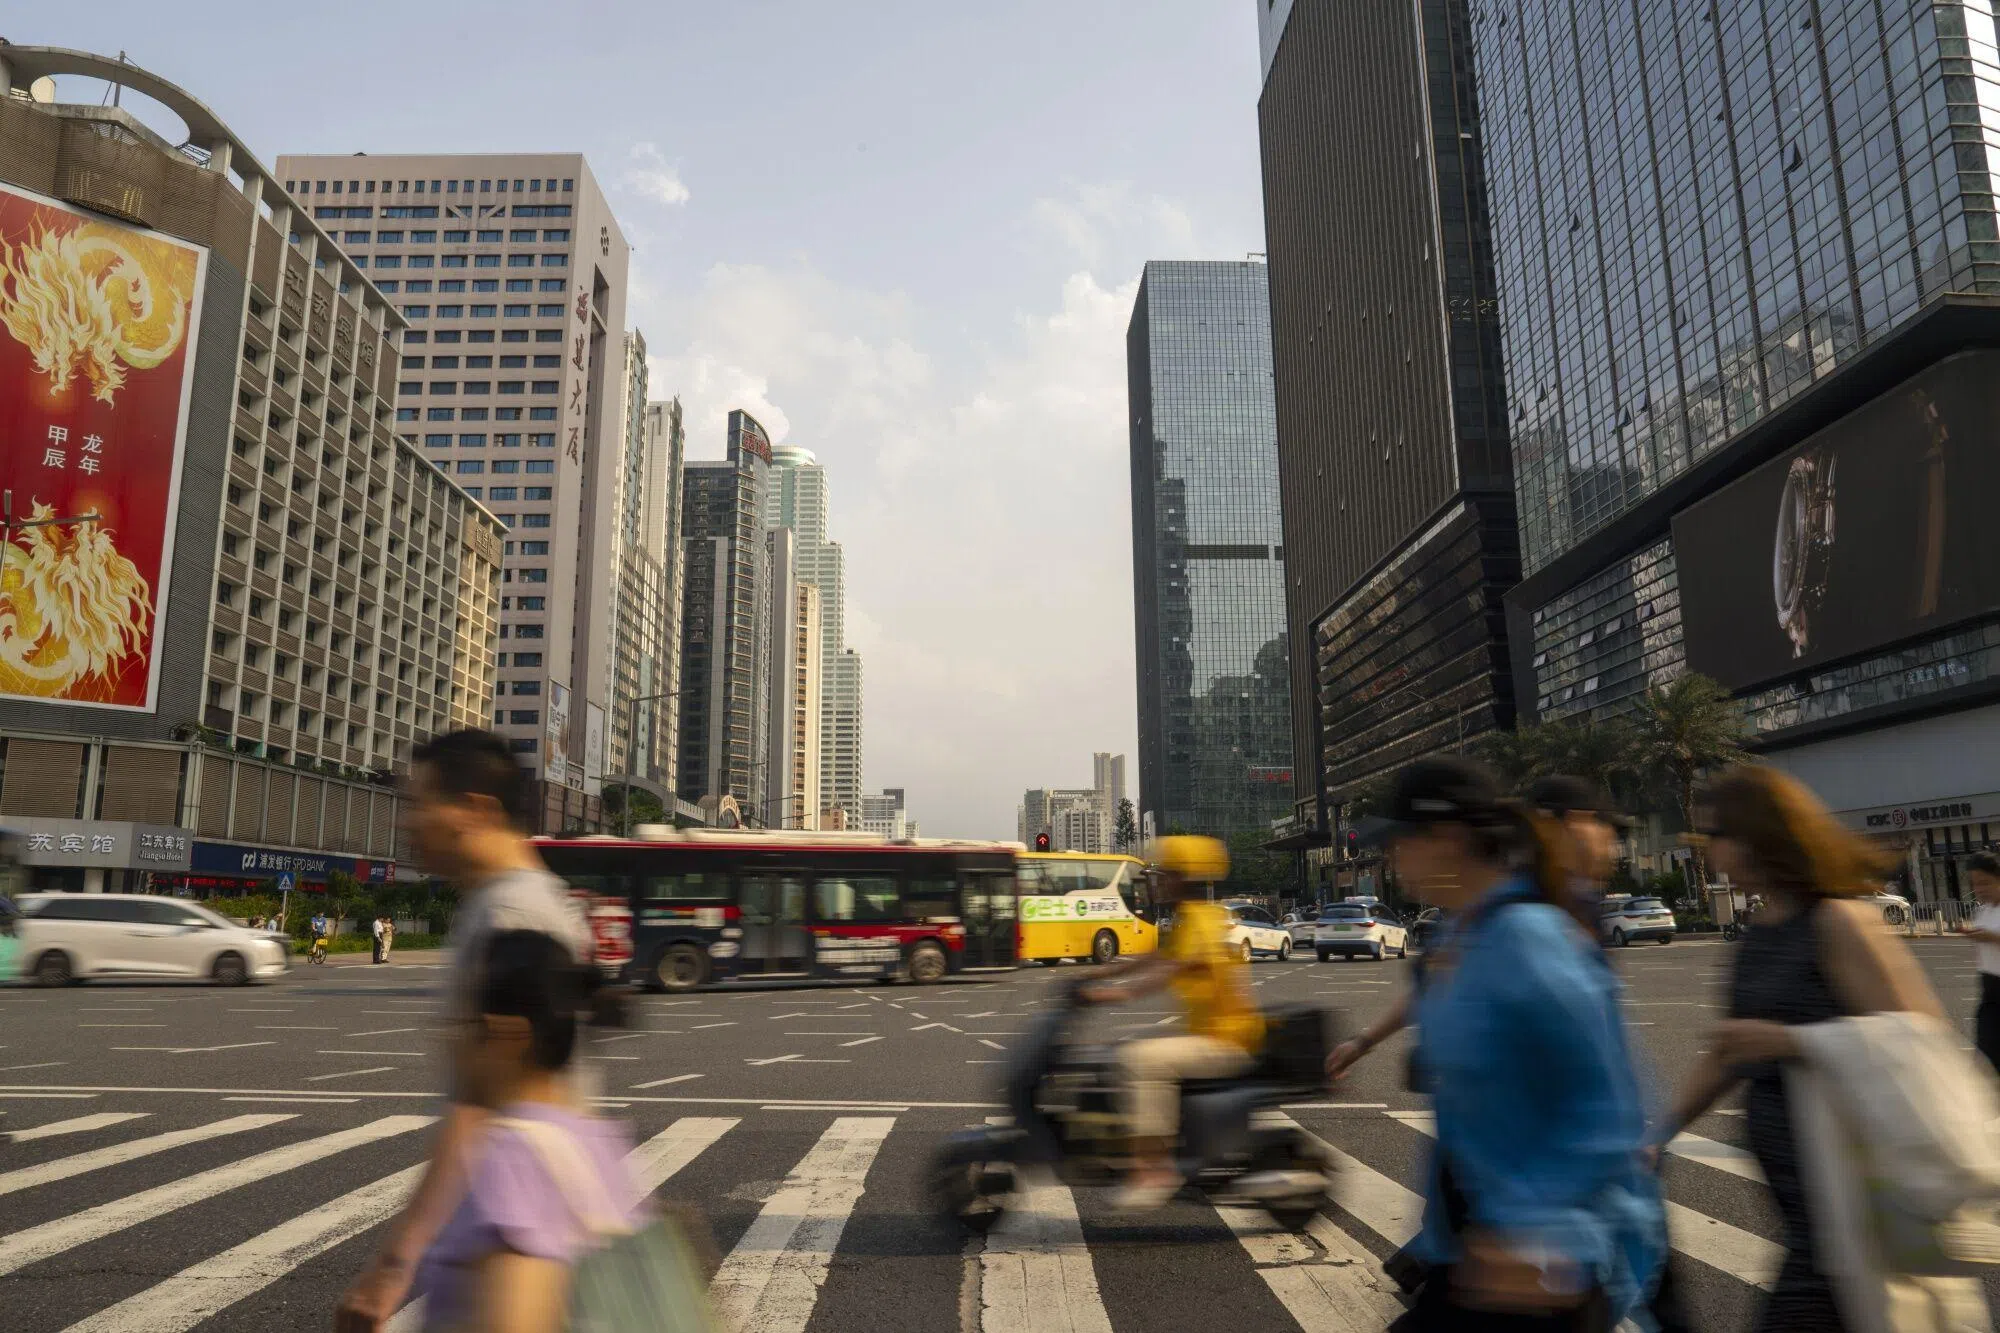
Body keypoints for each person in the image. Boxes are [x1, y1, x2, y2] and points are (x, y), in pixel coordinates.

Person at [1363, 757, 1663, 1330]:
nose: (1392, 860)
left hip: (1544, 1266)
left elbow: (1606, 1105)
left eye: (1400, 843)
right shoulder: (1461, 934)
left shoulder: (1529, 938)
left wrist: (1538, 1225)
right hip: (1481, 1249)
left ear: (1447, 838)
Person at [1660, 764, 1947, 1332]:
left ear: (1758, 836)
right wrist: (1655, 1136)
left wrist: (1792, 1039)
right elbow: (1729, 1049)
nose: (1709, 852)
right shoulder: (1761, 929)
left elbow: (1922, 1039)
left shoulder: (1838, 921)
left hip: (1854, 1203)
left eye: (1716, 835)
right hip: (1807, 1216)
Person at [337, 730, 593, 1333]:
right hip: (507, 1218)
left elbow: (484, 1098)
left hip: (513, 1226)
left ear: (475, 810)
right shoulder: (503, 902)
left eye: (419, 803)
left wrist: (393, 1266)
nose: (407, 823)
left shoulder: (512, 916)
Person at [406, 928, 647, 1333]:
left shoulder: (515, 1157)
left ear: (505, 1032)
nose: (450, 1042)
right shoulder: (595, 1139)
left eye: (462, 1024)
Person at [1082, 835, 1264, 1210]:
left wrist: (1113, 994)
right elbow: (1157, 957)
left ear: (1183, 879)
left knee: (1141, 1061)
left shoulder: (1200, 923)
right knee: (1125, 1052)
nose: (1158, 883)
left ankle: (1153, 1169)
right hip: (1211, 1034)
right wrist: (1097, 974)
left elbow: (1169, 970)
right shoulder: (1194, 918)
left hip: (1226, 1041)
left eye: (1165, 876)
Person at [1963, 852, 2000, 1078]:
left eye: (1985, 882)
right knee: (1985, 1058)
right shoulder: (1982, 911)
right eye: (1975, 884)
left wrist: (1991, 937)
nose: (1979, 889)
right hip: (1989, 992)